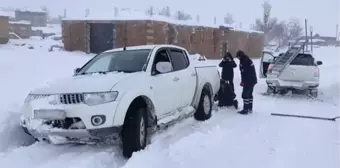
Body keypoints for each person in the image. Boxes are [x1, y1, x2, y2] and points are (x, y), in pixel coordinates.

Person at [235, 50, 257, 115]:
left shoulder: (244, 61)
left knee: (245, 95)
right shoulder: (247, 59)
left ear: (240, 56)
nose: (237, 58)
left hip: (248, 80)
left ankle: (245, 110)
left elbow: (244, 72)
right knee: (250, 94)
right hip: (253, 80)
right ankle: (250, 108)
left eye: (238, 57)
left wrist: (243, 81)